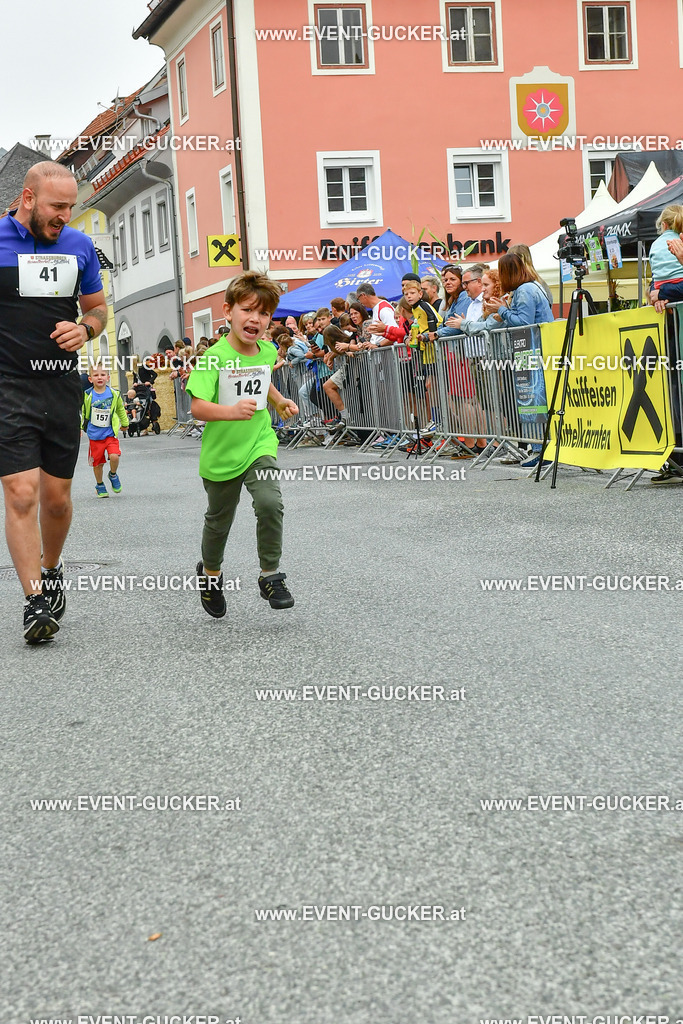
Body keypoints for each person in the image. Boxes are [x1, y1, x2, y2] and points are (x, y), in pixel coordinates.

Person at [0, 161, 107, 643]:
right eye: (57, 206)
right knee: (21, 491)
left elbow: (99, 310)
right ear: (27, 198)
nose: (66, 214)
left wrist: (85, 329)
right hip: (7, 385)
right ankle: (34, 600)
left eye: (71, 206)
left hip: (60, 383)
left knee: (56, 500)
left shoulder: (80, 246)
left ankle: (53, 566)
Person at [185, 270, 299, 618]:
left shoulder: (265, 350)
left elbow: (262, 383)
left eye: (264, 313)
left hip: (258, 443)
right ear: (228, 311)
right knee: (219, 521)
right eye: (248, 310)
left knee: (269, 503)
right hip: (222, 452)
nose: (256, 319)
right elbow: (197, 407)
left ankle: (270, 575)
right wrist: (232, 412)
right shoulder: (214, 357)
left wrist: (278, 401)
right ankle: (210, 575)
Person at [82, 362, 129, 497]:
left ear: (108, 377)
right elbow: (84, 412)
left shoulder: (114, 393)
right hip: (95, 435)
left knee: (114, 456)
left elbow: (120, 408)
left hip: (110, 433)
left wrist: (125, 422)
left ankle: (113, 474)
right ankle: (100, 484)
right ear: (90, 379)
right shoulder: (88, 395)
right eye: (96, 375)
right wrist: (79, 427)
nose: (100, 377)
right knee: (98, 463)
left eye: (103, 374)